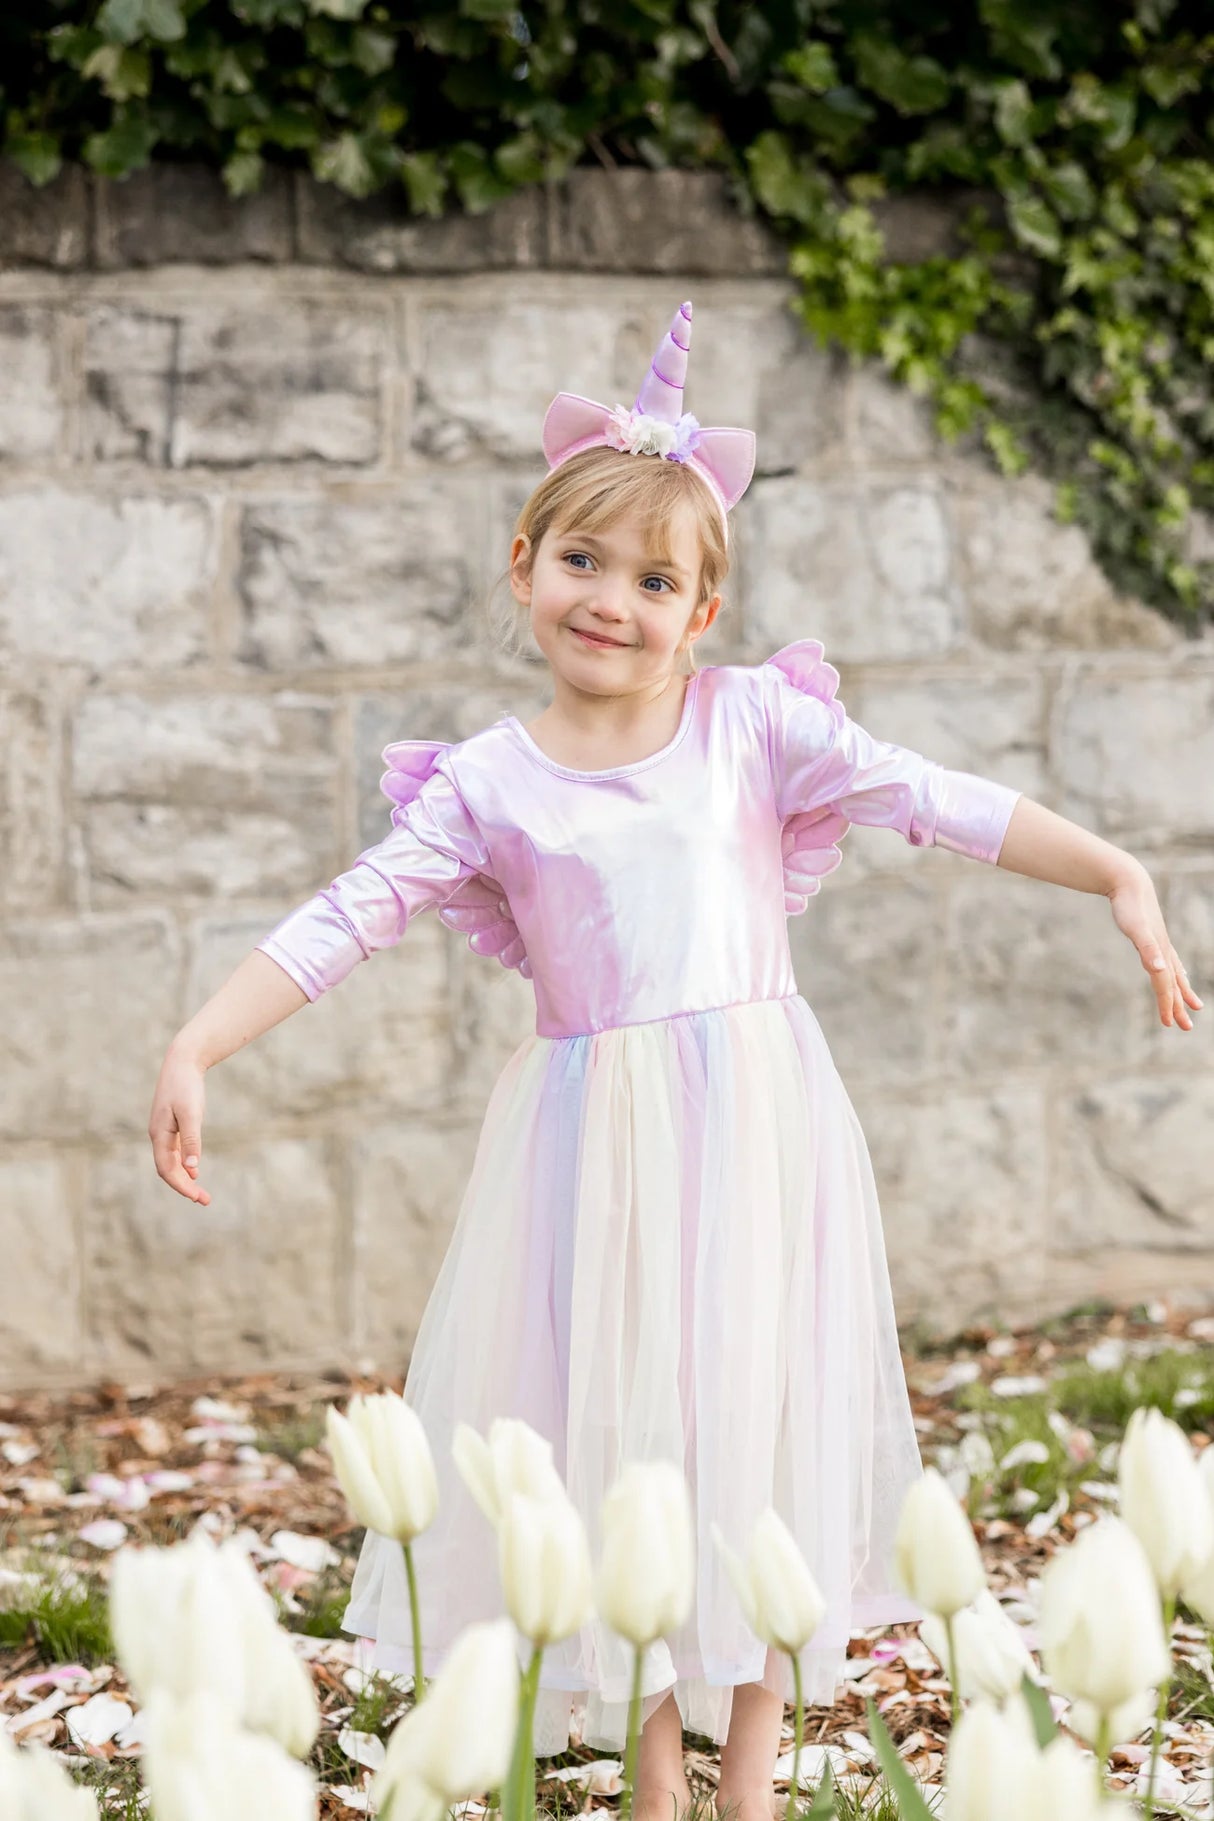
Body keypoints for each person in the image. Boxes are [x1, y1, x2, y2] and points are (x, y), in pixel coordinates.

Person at [149, 300, 1202, 1819]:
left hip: (758, 1129)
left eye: (655, 580)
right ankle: (655, 1775)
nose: (612, 601)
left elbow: (937, 797)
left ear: (699, 611)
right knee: (621, 1437)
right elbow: (343, 917)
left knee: (755, 1416)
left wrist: (1112, 869)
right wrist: (200, 1037)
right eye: (582, 562)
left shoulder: (753, 729)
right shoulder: (487, 788)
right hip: (592, 1152)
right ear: (522, 568)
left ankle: (750, 1778)